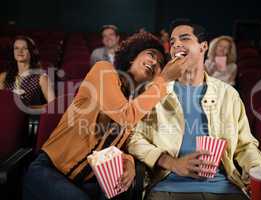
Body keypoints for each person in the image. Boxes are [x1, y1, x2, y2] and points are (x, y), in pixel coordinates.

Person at [127, 19, 261, 200]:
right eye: (172, 42)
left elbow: (246, 146)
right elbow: (134, 138)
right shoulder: (155, 92)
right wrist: (172, 163)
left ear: (203, 47)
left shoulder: (228, 94)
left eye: (185, 38)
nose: (176, 45)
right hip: (169, 187)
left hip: (224, 188)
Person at [23, 32, 189, 200]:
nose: (154, 62)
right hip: (49, 170)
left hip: (86, 182)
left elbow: (120, 146)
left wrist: (129, 161)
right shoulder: (104, 70)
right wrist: (164, 79)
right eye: (151, 55)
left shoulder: (138, 102)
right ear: (132, 57)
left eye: (160, 63)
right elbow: (125, 115)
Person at [0, 35, 55, 106]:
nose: (20, 51)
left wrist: (28, 107)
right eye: (16, 48)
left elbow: (53, 106)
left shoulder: (42, 78)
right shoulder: (3, 76)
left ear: (31, 51)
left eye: (24, 48)